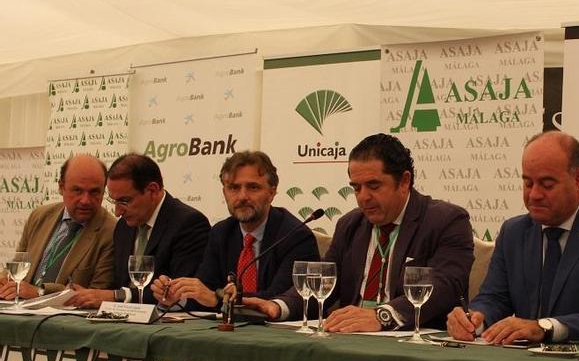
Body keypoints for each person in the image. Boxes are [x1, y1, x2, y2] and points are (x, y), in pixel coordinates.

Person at [244, 133, 474, 331]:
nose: (363, 196)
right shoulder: (350, 224)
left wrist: (382, 316)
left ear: (404, 181)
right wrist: (278, 306)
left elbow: (444, 287)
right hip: (351, 337)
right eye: (356, 187)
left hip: (414, 342)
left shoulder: (446, 221)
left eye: (374, 186)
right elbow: (324, 284)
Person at [446, 131, 579, 344]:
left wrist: (545, 327)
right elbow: (494, 298)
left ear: (578, 179)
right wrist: (474, 320)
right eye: (528, 183)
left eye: (547, 185)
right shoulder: (513, 232)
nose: (534, 194)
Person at [151, 150, 319, 309]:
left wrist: (215, 298)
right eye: (233, 188)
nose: (242, 196)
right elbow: (205, 291)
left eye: (253, 187)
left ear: (271, 192)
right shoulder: (221, 232)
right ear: (224, 192)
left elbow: (277, 297)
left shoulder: (295, 235)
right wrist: (178, 297)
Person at [67, 153, 210, 307]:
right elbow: (116, 283)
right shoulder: (123, 227)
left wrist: (117, 296)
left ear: (152, 190)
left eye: (124, 201)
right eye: (114, 201)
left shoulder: (188, 224)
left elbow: (177, 294)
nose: (117, 212)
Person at [0, 154, 115, 300]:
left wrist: (40, 292)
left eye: (94, 192)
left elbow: (95, 293)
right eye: (77, 190)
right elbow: (16, 268)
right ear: (61, 187)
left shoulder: (111, 232)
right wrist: (5, 281)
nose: (86, 200)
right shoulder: (39, 216)